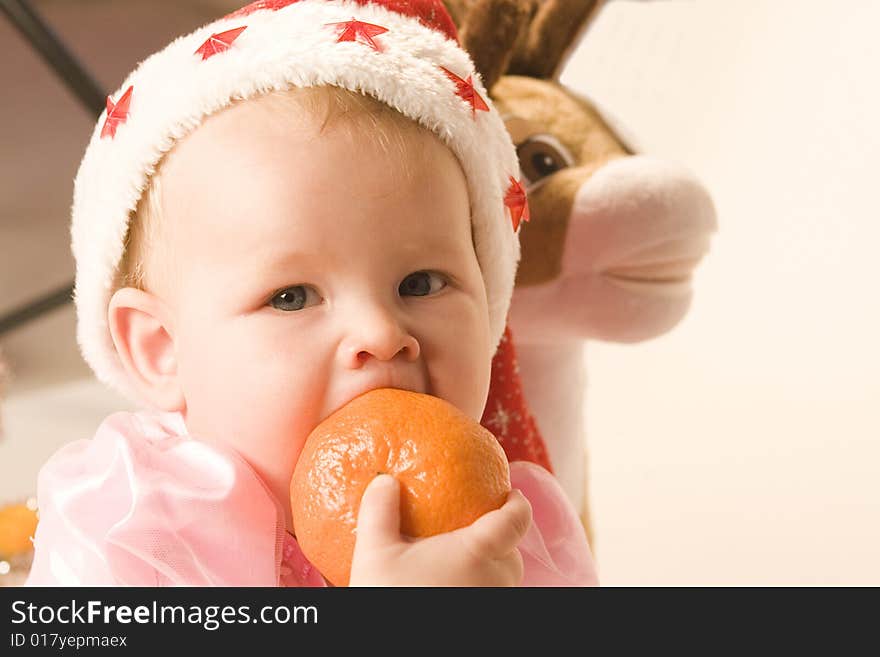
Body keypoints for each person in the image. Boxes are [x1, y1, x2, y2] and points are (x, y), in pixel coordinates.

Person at [26, 0, 597, 587]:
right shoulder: (137, 530)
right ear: (161, 348)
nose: (380, 333)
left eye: (420, 284)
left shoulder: (513, 529)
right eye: (292, 296)